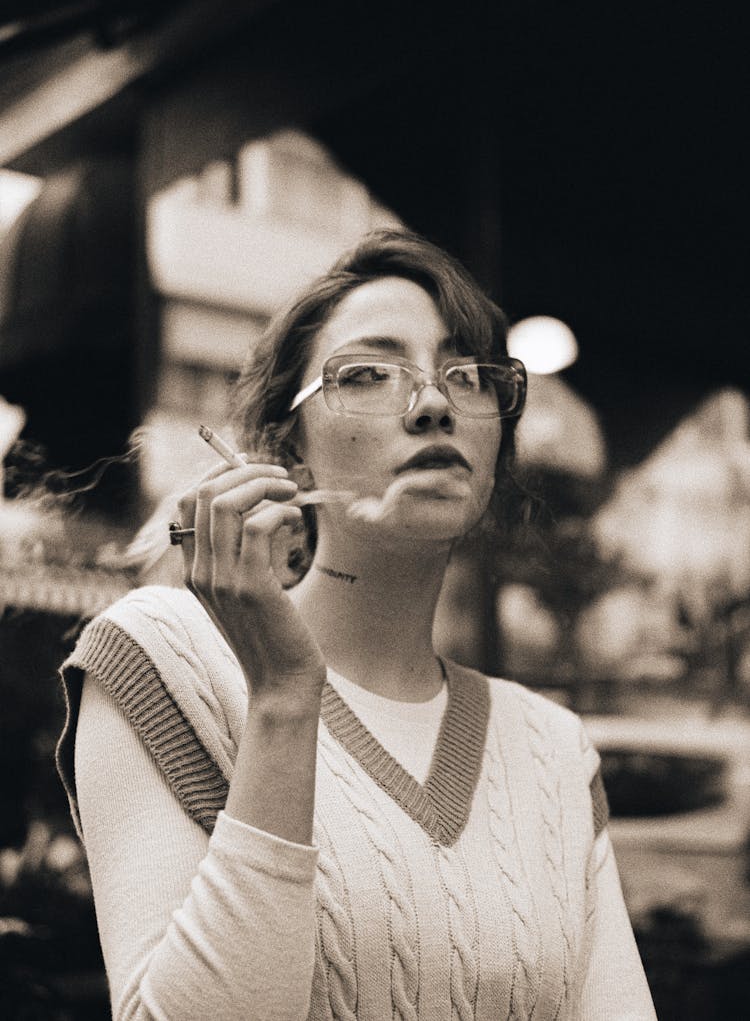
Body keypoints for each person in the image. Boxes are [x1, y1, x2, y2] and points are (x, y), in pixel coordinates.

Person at [56, 230, 656, 1020]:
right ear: (287, 454)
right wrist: (281, 696)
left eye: (466, 375)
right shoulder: (164, 657)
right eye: (368, 373)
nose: (434, 402)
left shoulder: (551, 749)